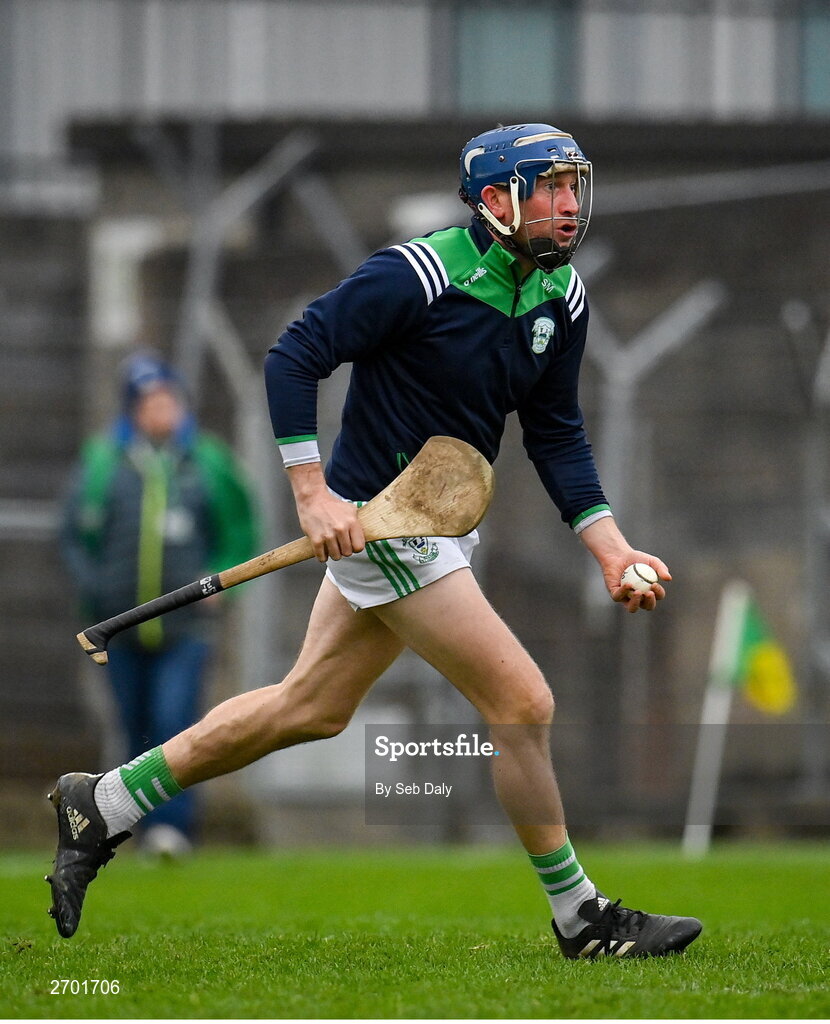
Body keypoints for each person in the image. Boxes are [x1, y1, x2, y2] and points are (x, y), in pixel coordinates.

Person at [46, 124, 702, 958]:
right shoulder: (418, 276)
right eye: (551, 187)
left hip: (435, 528)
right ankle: (583, 920)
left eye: (576, 186)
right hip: (381, 525)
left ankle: (102, 803)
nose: (571, 206)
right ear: (496, 199)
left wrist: (610, 549)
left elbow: (557, 433)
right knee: (522, 704)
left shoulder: (560, 298)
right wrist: (312, 493)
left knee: (308, 708)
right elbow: (294, 355)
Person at [58, 351, 258, 855]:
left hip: (188, 627)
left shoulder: (207, 461)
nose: (161, 410)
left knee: (174, 721)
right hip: (119, 629)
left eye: (169, 399)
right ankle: (136, 830)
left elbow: (241, 532)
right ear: (132, 409)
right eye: (150, 402)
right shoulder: (103, 462)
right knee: (133, 728)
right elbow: (74, 536)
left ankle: (174, 829)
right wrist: (94, 589)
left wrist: (224, 583)